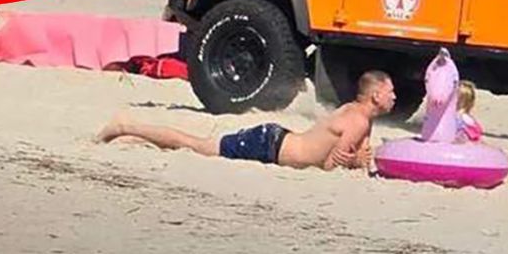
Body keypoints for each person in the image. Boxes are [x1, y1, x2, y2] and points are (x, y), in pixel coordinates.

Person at [95, 71, 395, 170]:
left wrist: (363, 160)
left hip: (278, 141)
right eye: (390, 91)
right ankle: (126, 126)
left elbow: (360, 159)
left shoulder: (362, 118)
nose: (394, 97)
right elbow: (332, 164)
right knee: (197, 145)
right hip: (268, 145)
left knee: (194, 146)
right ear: (376, 95)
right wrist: (355, 161)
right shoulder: (356, 120)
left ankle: (137, 138)